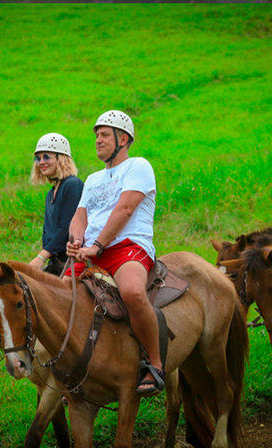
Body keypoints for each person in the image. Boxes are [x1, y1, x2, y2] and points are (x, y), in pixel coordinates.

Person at [65, 110, 164, 396]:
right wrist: (76, 240)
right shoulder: (93, 178)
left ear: (123, 139)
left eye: (104, 135)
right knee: (59, 296)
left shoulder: (138, 166)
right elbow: (79, 217)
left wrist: (98, 245)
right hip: (92, 252)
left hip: (128, 246)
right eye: (96, 135)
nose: (98, 139)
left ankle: (155, 365)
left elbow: (126, 209)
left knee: (133, 292)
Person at [28, 132, 84, 276]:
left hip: (73, 262)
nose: (41, 162)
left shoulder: (72, 185)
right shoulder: (50, 194)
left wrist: (41, 257)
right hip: (55, 263)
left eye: (46, 156)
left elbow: (68, 227)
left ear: (61, 158)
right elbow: (48, 233)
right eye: (38, 158)